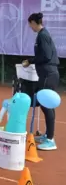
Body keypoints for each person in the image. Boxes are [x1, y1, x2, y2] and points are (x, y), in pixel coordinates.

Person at [22, 12, 59, 151]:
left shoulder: (42, 35)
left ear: (33, 23)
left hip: (48, 75)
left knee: (46, 105)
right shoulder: (43, 35)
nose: (30, 27)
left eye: (30, 24)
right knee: (45, 105)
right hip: (47, 74)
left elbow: (47, 56)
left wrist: (30, 60)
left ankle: (50, 140)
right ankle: (48, 136)